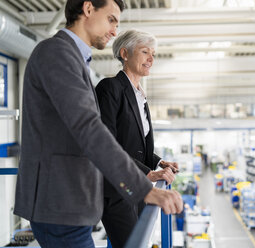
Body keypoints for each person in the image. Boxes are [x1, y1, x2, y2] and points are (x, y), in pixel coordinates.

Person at [13, 1, 183, 248]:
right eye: (111, 20)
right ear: (88, 9)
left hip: (71, 203)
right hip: (60, 203)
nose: (115, 31)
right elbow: (90, 129)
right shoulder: (57, 53)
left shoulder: (74, 58)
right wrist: (144, 188)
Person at [95, 29, 179, 248]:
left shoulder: (140, 96)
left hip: (138, 188)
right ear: (125, 53)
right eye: (144, 52)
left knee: (141, 240)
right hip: (117, 189)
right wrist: (148, 173)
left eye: (153, 53)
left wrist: (159, 162)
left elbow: (136, 146)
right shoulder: (110, 88)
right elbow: (108, 144)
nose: (151, 59)